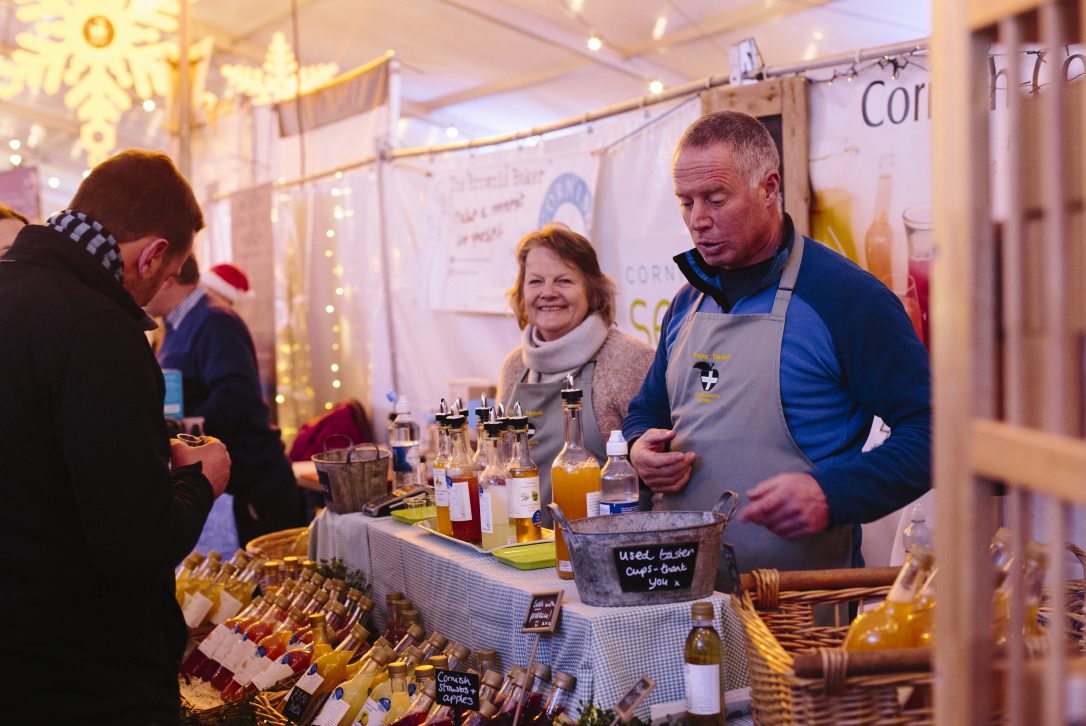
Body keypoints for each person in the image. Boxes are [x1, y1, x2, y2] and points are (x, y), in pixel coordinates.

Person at [622, 111, 930, 583]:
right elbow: (647, 412)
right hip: (688, 599)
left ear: (768, 187)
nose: (697, 221)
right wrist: (639, 447)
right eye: (685, 203)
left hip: (803, 610)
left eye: (715, 199)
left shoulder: (847, 299)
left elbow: (934, 434)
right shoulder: (687, 302)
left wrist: (833, 493)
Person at [0, 150, 231, 724]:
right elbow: (133, 545)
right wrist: (201, 483)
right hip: (83, 673)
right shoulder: (97, 328)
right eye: (166, 274)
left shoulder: (14, 290)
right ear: (153, 256)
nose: (154, 297)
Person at [496, 224, 655, 524]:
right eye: (535, 281)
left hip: (603, 553)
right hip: (523, 550)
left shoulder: (629, 360)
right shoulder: (514, 367)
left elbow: (660, 484)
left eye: (564, 280)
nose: (548, 293)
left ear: (592, 291)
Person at [146, 255, 305, 546]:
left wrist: (174, 434)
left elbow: (236, 401)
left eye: (145, 272)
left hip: (252, 487)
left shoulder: (215, 320)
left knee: (255, 588)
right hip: (228, 487)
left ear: (167, 277)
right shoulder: (177, 325)